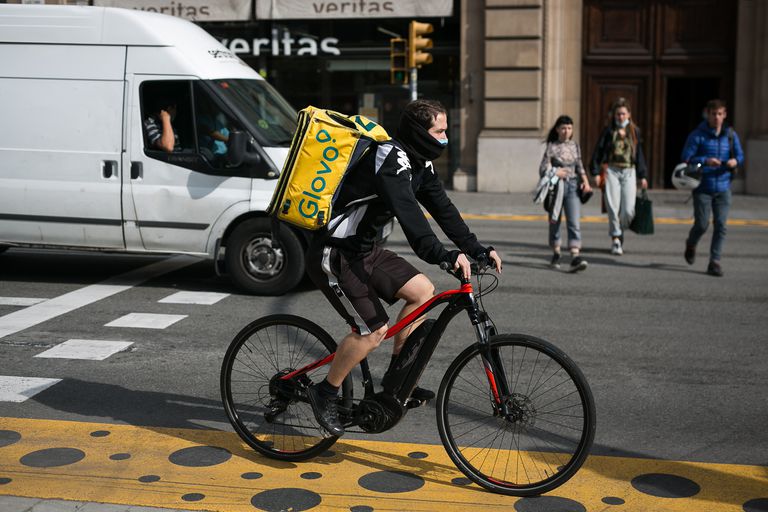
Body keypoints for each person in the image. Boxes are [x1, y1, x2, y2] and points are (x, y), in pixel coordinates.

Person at [305, 99, 502, 437]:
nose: (445, 138)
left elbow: (443, 209)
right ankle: (325, 392)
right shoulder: (390, 158)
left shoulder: (420, 163)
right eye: (439, 131)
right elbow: (410, 215)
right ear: (418, 131)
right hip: (335, 251)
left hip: (365, 251)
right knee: (373, 331)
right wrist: (443, 255)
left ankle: (396, 386)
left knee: (423, 292)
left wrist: (476, 248)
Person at [681, 99, 744, 277]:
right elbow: (686, 158)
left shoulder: (730, 135)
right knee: (701, 224)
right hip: (703, 186)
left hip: (723, 186)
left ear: (724, 115)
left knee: (721, 225)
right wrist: (705, 161)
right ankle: (691, 243)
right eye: (713, 114)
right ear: (707, 114)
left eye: (719, 114)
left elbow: (740, 155)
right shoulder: (697, 135)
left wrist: (735, 161)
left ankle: (714, 261)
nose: (716, 117)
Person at [590, 98, 649, 255]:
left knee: (629, 210)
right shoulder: (609, 131)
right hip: (612, 171)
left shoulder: (634, 131)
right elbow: (599, 151)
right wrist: (595, 172)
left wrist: (643, 175)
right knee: (612, 206)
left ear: (629, 114)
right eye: (618, 114)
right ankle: (616, 239)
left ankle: (620, 229)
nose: (620, 117)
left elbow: (640, 154)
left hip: (629, 171)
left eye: (623, 114)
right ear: (614, 115)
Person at [538, 115, 592, 272]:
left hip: (573, 186)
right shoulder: (551, 146)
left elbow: (580, 165)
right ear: (557, 129)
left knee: (574, 221)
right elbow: (542, 169)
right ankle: (556, 252)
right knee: (554, 220)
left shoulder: (575, 146)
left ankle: (575, 255)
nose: (566, 131)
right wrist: (555, 171)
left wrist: (586, 182)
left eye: (569, 128)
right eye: (563, 128)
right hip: (556, 188)